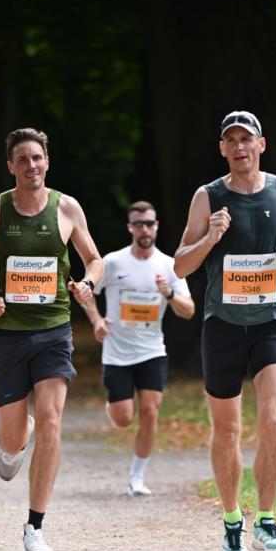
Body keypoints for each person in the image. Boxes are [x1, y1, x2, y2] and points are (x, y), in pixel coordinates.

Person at [174, 110, 276, 551]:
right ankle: (233, 522)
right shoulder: (207, 196)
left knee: (273, 419)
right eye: (230, 140)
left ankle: (267, 520)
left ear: (261, 145)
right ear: (221, 148)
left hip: (273, 321)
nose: (238, 146)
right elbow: (180, 265)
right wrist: (211, 237)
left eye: (245, 139)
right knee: (228, 428)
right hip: (223, 326)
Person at [0, 126, 103, 551]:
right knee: (11, 437)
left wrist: (87, 285)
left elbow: (93, 260)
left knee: (54, 421)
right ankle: (16, 438)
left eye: (37, 158)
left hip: (54, 328)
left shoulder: (67, 208)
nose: (31, 166)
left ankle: (35, 526)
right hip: (6, 335)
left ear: (47, 162)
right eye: (22, 159)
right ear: (11, 166)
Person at [83, 200, 195, 495]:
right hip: (117, 351)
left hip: (152, 350)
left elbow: (189, 310)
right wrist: (96, 321)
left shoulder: (169, 265)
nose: (144, 229)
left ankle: (137, 476)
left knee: (150, 412)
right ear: (130, 227)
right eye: (138, 224)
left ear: (156, 226)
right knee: (123, 418)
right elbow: (86, 293)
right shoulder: (113, 262)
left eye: (149, 223)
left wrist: (168, 292)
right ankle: (114, 406)